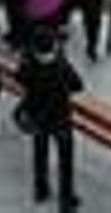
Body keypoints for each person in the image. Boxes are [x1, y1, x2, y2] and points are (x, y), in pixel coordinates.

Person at [17, 28, 84, 211]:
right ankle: (66, 198)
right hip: (60, 119)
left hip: (37, 117)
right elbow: (78, 85)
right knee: (65, 160)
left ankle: (41, 189)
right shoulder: (60, 68)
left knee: (40, 153)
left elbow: (20, 77)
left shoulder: (29, 63)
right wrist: (63, 60)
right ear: (53, 47)